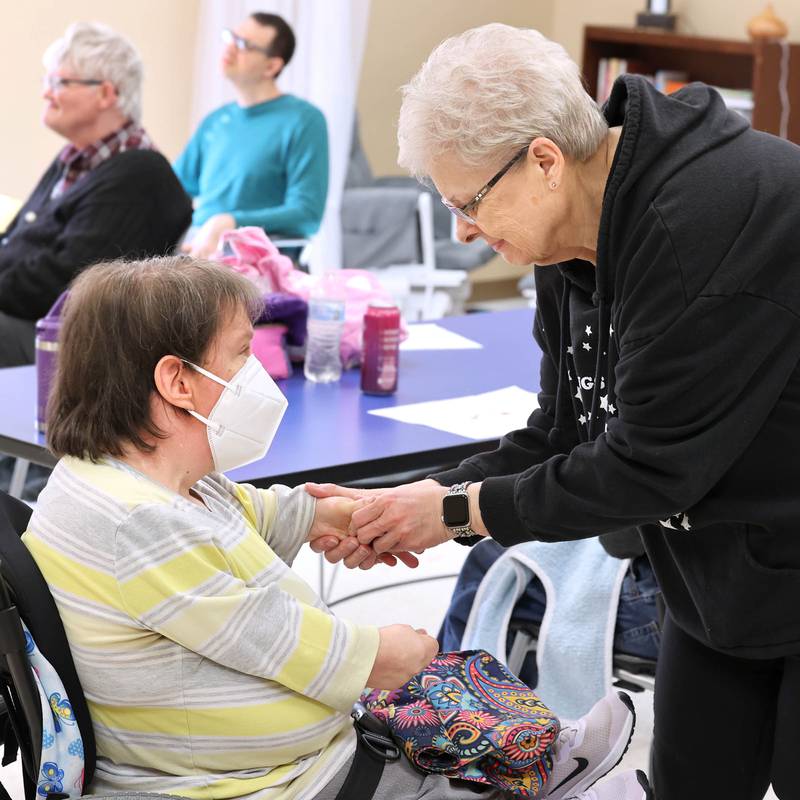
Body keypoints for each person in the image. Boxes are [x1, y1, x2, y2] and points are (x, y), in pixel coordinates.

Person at [307, 22, 800, 800]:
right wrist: (416, 500)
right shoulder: (566, 230)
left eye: (465, 203)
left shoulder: (696, 224)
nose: (463, 230)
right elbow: (565, 432)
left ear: (542, 160)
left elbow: (648, 465)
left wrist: (459, 513)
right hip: (718, 578)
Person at [22, 256, 648, 800]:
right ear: (177, 380)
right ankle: (548, 769)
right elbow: (273, 636)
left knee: (439, 699)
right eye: (242, 354)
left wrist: (334, 514)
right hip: (258, 783)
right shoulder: (137, 524)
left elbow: (242, 515)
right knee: (431, 681)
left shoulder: (138, 480)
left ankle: (547, 758)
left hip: (272, 760)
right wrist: (387, 653)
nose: (256, 374)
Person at [0, 22, 192, 367]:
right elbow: (17, 243)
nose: (47, 93)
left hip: (68, 348)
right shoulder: (76, 160)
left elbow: (64, 284)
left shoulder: (140, 175)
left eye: (59, 82)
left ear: (106, 93)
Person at [174, 12, 329, 258]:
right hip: (198, 258)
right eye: (231, 38)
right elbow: (174, 191)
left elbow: (306, 213)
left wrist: (229, 222)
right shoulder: (215, 122)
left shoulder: (303, 120)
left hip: (261, 265)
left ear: (272, 66)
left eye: (244, 45)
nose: (230, 48)